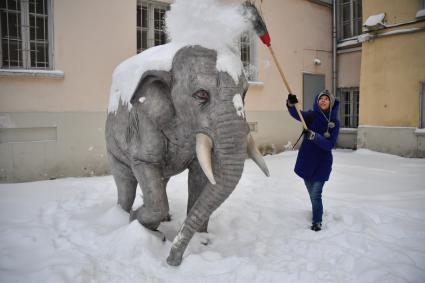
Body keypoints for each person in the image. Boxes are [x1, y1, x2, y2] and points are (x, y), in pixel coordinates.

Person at [286, 90, 340, 231]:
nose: (323, 100)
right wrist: (291, 104)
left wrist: (314, 137)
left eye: (326, 99)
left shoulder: (334, 122)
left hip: (322, 163)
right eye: (321, 98)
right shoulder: (312, 115)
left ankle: (317, 221)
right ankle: (317, 210)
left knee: (316, 194)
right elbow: (297, 114)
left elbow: (329, 145)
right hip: (307, 160)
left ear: (331, 102)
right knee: (312, 194)